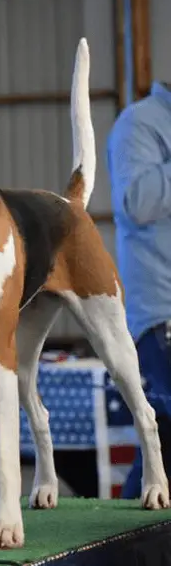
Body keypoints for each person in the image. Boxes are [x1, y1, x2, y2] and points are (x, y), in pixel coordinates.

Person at [107, 80, 171, 498]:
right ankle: (124, 555)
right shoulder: (139, 123)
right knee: (162, 447)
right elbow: (137, 201)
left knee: (164, 446)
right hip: (164, 316)